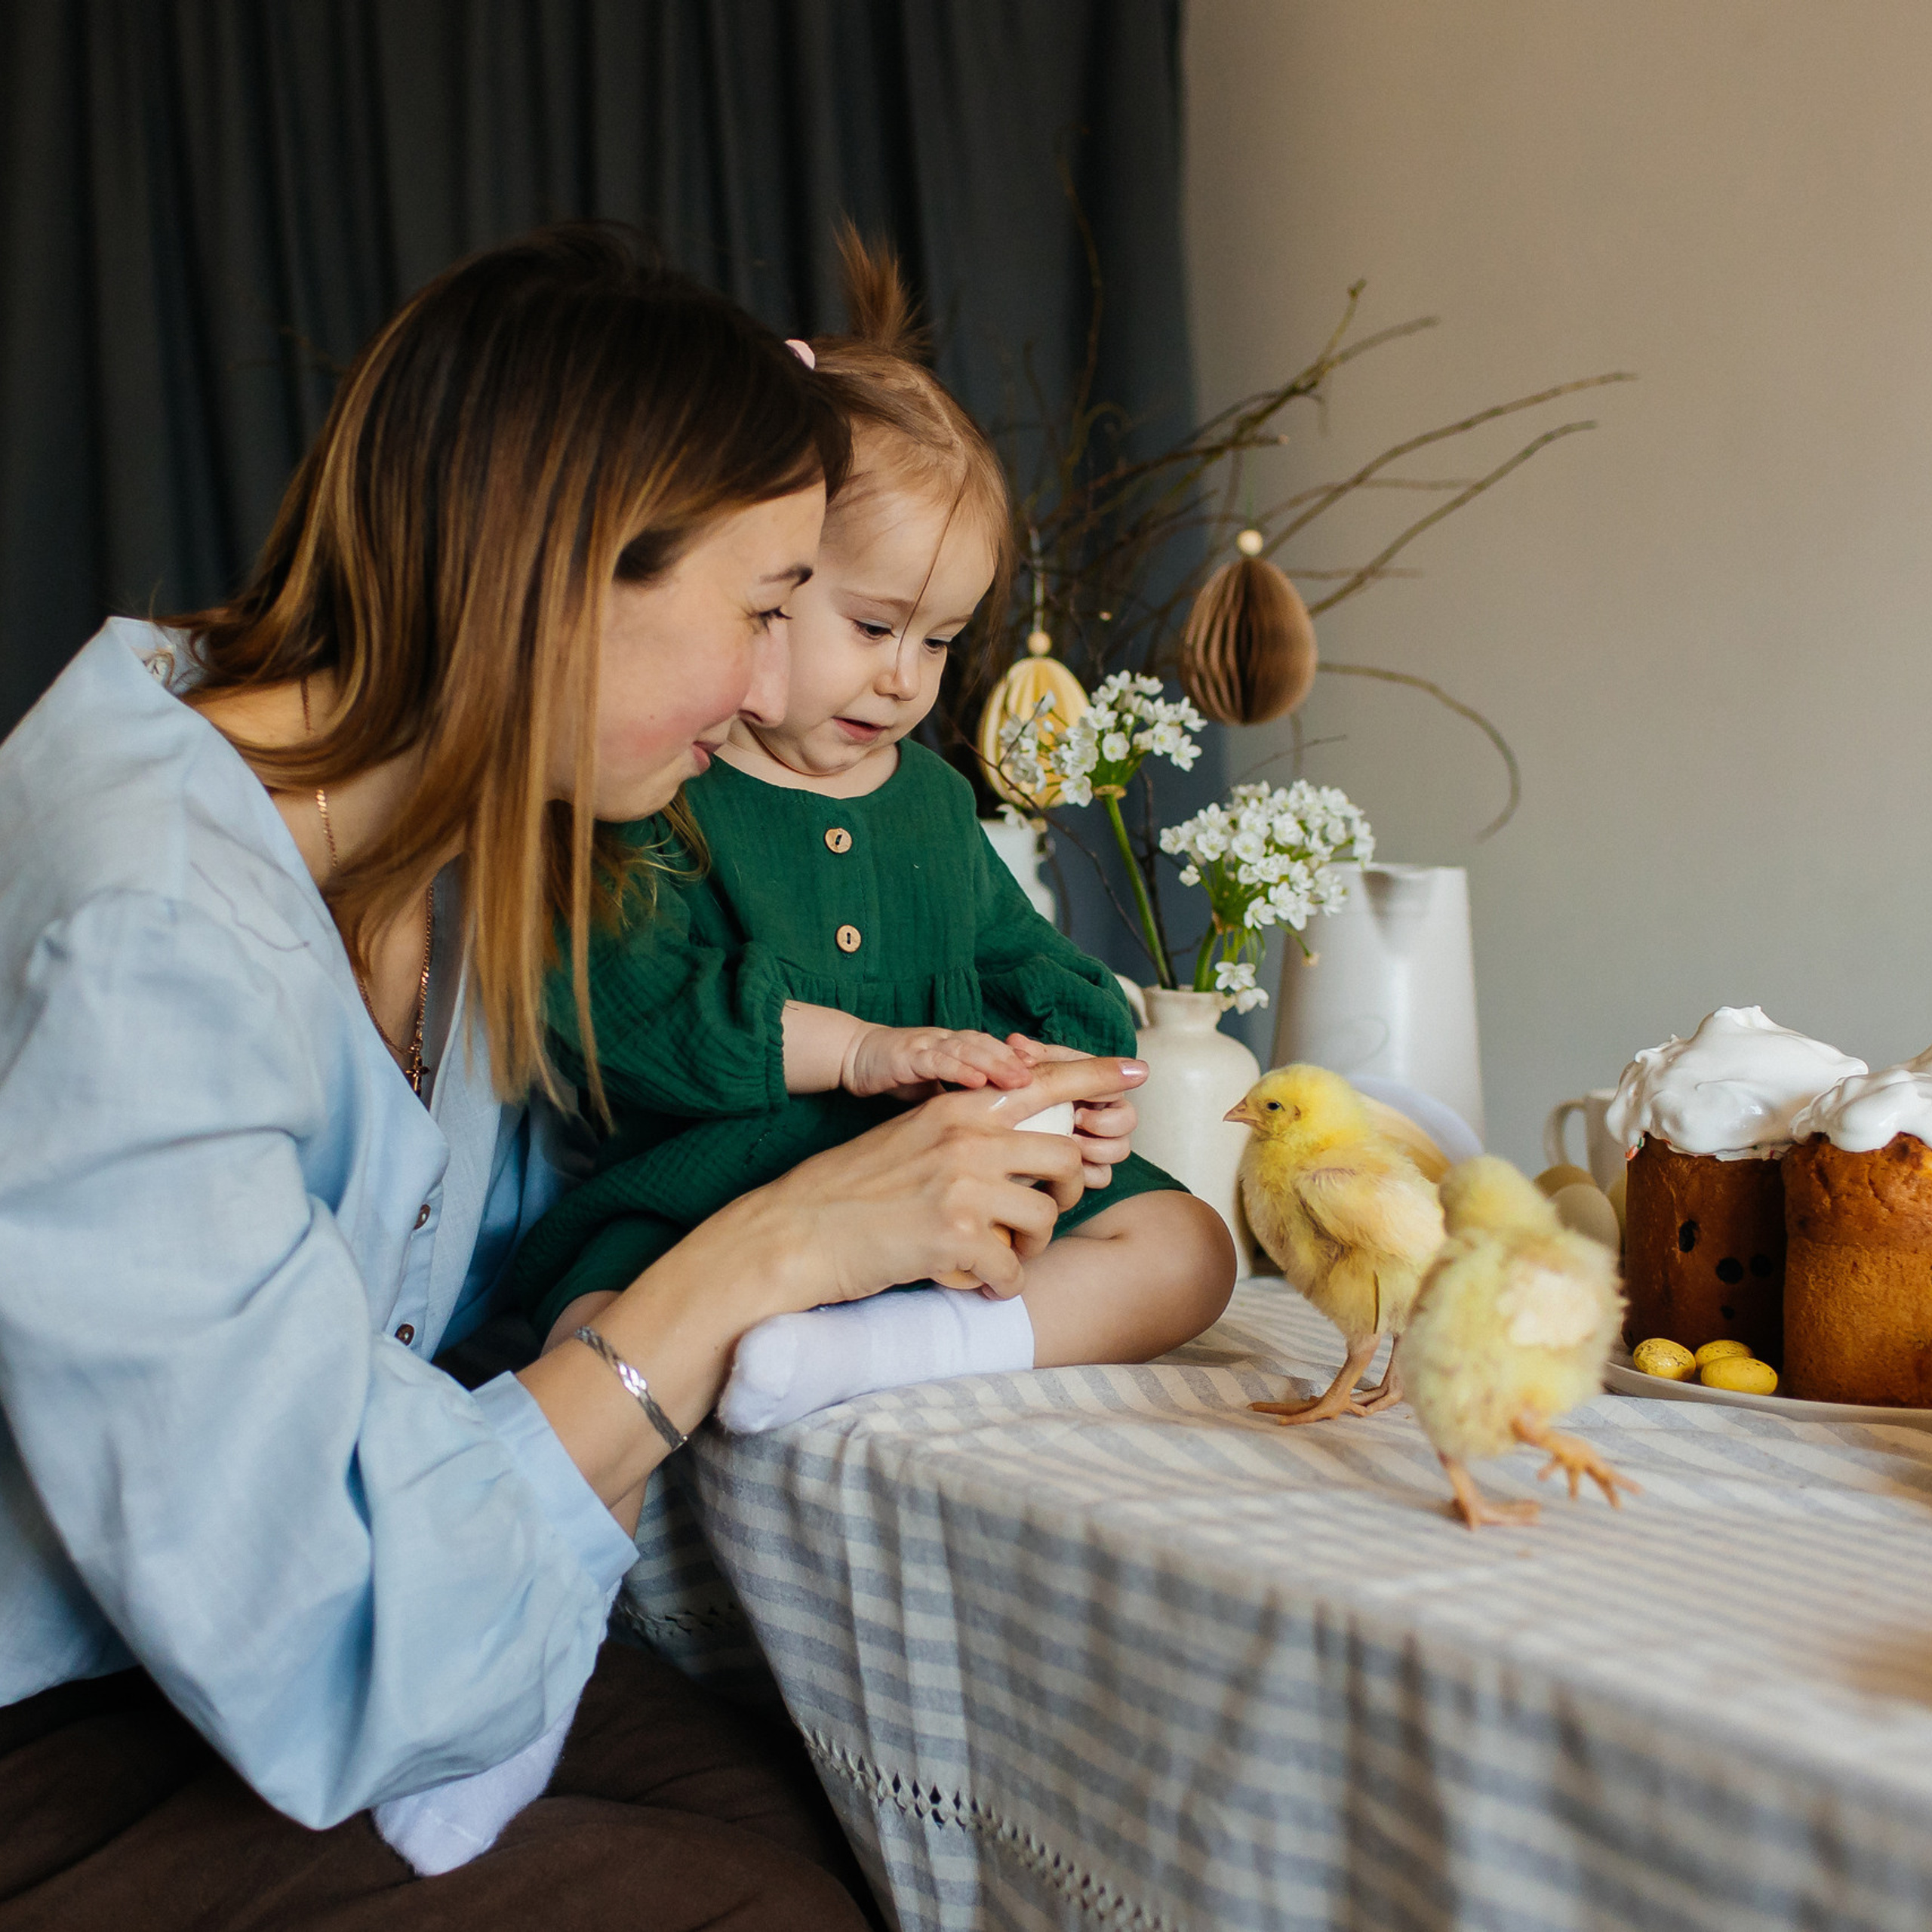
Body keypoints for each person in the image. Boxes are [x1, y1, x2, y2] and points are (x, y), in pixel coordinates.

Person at [0, 226, 1148, 1930]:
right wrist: (770, 1253)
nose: (780, 691)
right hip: (82, 1722)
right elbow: (322, 1638)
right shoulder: (151, 932)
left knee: (876, 1836)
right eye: (762, 610)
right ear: (563, 570)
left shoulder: (455, 844)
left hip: (332, 1610)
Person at [510, 231, 1236, 1435]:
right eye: (873, 624)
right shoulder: (655, 782)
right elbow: (623, 1012)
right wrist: (856, 1054)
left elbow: (1028, 957)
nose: (906, 680)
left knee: (1189, 1248)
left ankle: (905, 1348)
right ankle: (784, 1356)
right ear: (767, 587)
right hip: (716, 1192)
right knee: (584, 1319)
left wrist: (1075, 1065)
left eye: (941, 641)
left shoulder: (933, 801)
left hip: (938, 1174)